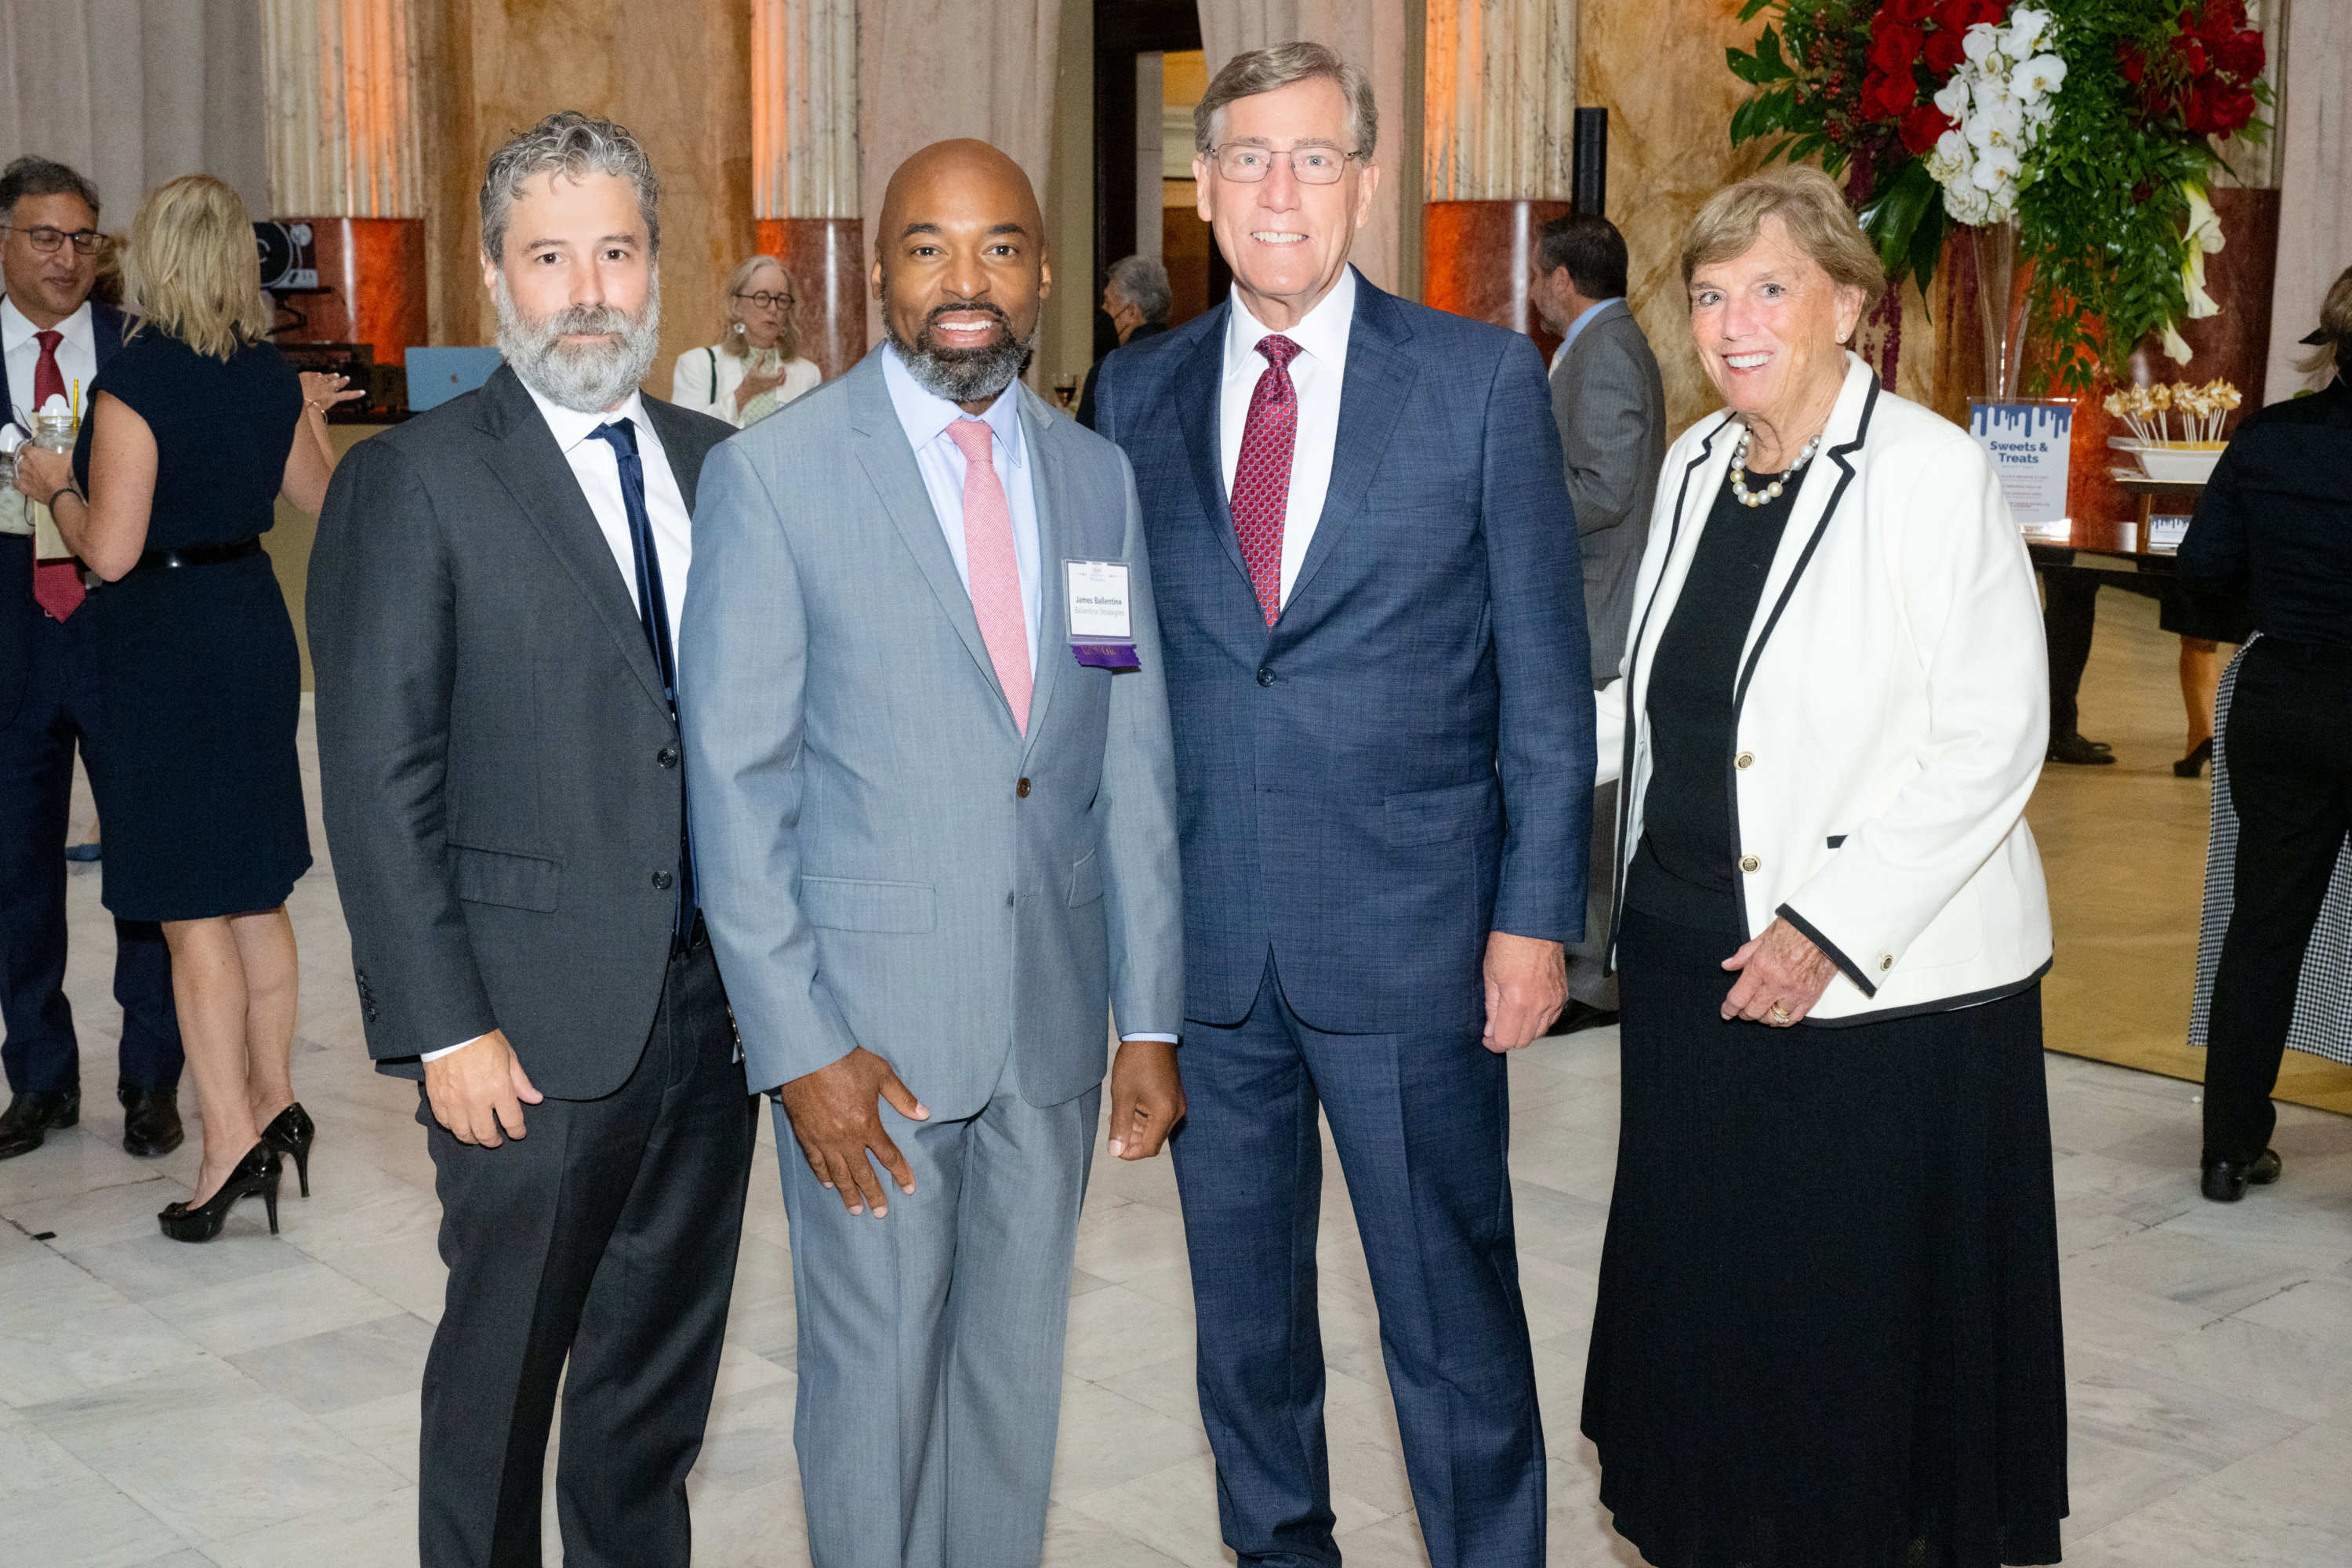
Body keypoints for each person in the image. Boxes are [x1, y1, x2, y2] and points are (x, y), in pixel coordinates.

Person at [1093, 43, 1590, 1568]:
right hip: (1214, 956)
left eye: (1313, 157)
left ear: (1366, 180)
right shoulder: (1135, 390)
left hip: (1414, 949)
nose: (1279, 189)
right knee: (1246, 1338)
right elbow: (1111, 676)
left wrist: (1534, 918)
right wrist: (1132, 981)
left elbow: (1547, 691)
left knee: (1448, 1324)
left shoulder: (1481, 383)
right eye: (1246, 158)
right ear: (1205, 187)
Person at [683, 137, 1185, 1568]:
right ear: (877, 272)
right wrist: (799, 1050)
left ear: (1044, 275)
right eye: (927, 249)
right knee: (874, 1393)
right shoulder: (775, 478)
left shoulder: (1099, 482)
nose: (965, 284)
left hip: (1047, 1029)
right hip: (869, 1054)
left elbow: (1129, 767)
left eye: (1001, 248)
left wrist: (1144, 1019)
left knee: (1012, 1395)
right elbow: (736, 787)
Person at [1583, 165, 2067, 1567]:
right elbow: (1655, 695)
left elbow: (1992, 735)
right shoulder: (1692, 463)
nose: (1733, 322)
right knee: (1719, 1291)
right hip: (1690, 965)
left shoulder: (1929, 472)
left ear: (1849, 305)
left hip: (1869, 988)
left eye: (1771, 288)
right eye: (1711, 293)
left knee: (1843, 1314)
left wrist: (1825, 926)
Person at [307, 113, 750, 1566]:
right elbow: (380, 781)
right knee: (502, 1386)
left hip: (713, 1021)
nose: (586, 293)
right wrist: (444, 1030)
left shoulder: (723, 466)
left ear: (656, 272)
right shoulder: (415, 480)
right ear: (496, 281)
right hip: (524, 1036)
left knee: (652, 1396)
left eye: (614, 252)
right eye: (549, 257)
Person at [12, 174, 333, 1243]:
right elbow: (319, 497)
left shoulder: (136, 381)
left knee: (193, 910)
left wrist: (52, 481)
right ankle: (277, 1099)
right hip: (250, 628)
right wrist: (309, 419)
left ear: (151, 260)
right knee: (258, 892)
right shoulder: (267, 373)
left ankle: (226, 1143)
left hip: (164, 645)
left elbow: (107, 547)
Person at [0, 154, 183, 1162]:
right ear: (4, 241)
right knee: (16, 871)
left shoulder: (139, 350)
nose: (67, 258)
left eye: (83, 239)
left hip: (121, 632)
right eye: (44, 237)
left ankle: (152, 1078)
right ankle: (38, 1076)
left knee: (145, 868)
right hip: (10, 638)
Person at [2178, 264, 2352, 1203]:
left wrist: (2286, 603)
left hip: (2283, 691)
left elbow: (2202, 571)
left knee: (2265, 926)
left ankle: (2227, 1147)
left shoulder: (2269, 441)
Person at [1534, 211, 1664, 1032]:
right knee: (1584, 796)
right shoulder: (1600, 341)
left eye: (1537, 274)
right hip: (1590, 606)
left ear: (1559, 279)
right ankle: (1585, 969)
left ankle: (1593, 979)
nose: (1533, 290)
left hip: (1599, 614)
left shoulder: (1606, 348)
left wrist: (1519, 507)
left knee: (1595, 800)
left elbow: (1607, 488)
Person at [668, 252, 819, 426]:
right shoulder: (696, 364)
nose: (773, 308)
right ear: (736, 306)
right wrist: (743, 394)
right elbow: (686, 434)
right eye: (762, 298)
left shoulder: (809, 375)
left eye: (782, 300)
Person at [1073, 252, 1171, 429]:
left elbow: (1084, 445)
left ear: (1132, 312)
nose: (1103, 308)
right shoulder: (1192, 358)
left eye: (1108, 303)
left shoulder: (1107, 371)